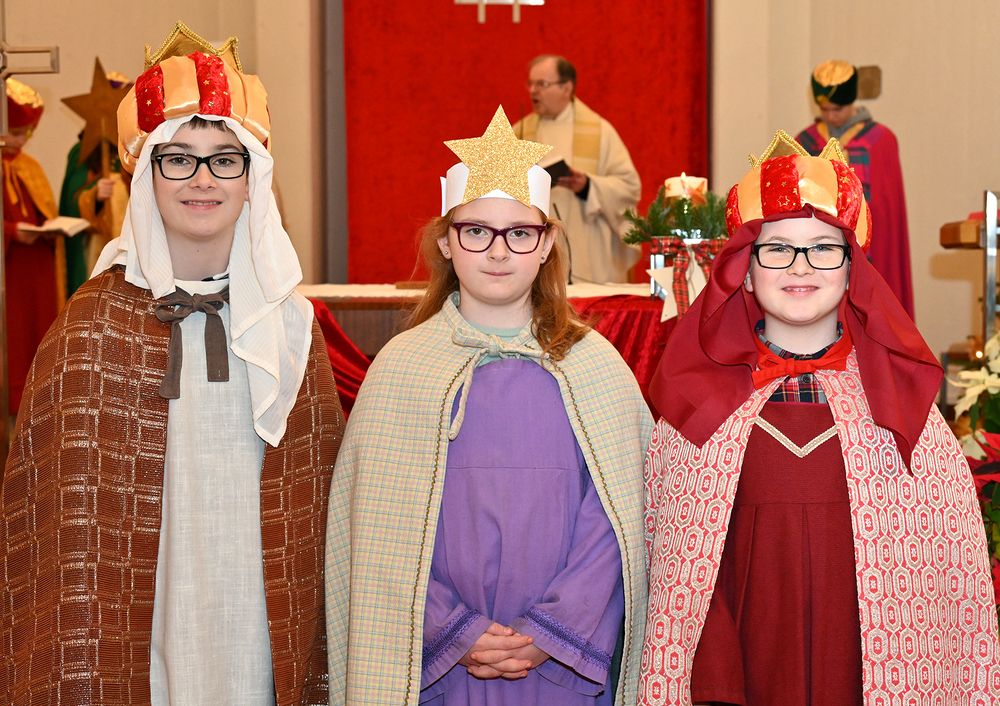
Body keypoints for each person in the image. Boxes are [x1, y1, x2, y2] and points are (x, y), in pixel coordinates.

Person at [0, 23, 343, 705]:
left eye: (225, 159)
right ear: (147, 175)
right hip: (134, 625)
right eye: (178, 158)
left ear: (253, 177)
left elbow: (314, 506)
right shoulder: (91, 325)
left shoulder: (289, 325)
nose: (203, 179)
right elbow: (57, 527)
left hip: (254, 617)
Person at [638, 130, 1000, 705]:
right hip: (740, 669)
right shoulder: (696, 408)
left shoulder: (904, 412)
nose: (799, 266)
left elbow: (948, 576)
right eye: (777, 248)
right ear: (744, 269)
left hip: (865, 668)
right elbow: (676, 570)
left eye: (824, 248)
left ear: (853, 268)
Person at [325, 106, 653, 705]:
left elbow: (619, 518)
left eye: (519, 233)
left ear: (547, 243)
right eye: (476, 231)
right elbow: (377, 529)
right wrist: (454, 630)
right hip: (438, 663)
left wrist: (552, 630)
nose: (498, 252)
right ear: (446, 242)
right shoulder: (403, 367)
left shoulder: (594, 364)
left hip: (562, 662)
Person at [796, 60, 914, 318]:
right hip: (818, 251)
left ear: (851, 101)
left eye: (837, 109)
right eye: (824, 109)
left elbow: (886, 211)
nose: (830, 116)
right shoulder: (805, 142)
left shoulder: (880, 140)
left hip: (868, 252)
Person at [513, 55, 641, 284]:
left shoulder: (599, 131)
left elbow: (629, 186)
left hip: (586, 252)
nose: (533, 91)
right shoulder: (519, 133)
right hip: (533, 251)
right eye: (530, 84)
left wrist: (588, 186)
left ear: (566, 88)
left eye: (542, 84)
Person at [2, 78, 61, 414]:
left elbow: (44, 213)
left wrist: (50, 230)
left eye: (26, 133)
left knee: (37, 340)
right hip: (8, 270)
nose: (21, 140)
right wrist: (10, 232)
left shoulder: (30, 166)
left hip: (34, 269)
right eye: (14, 132)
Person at [59, 70, 133, 295]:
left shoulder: (134, 147)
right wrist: (94, 196)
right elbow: (70, 203)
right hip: (98, 244)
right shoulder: (83, 152)